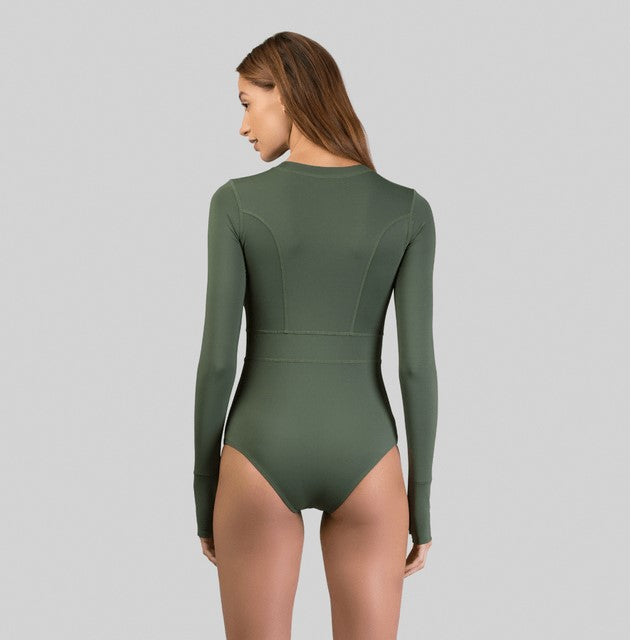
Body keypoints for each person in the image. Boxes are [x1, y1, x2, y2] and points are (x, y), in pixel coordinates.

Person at [193, 31, 438, 639]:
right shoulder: (408, 211)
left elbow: (218, 362)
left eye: (247, 103)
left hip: (258, 448)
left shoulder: (235, 204)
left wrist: (204, 490)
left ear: (286, 93)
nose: (243, 126)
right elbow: (416, 368)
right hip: (366, 451)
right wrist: (421, 503)